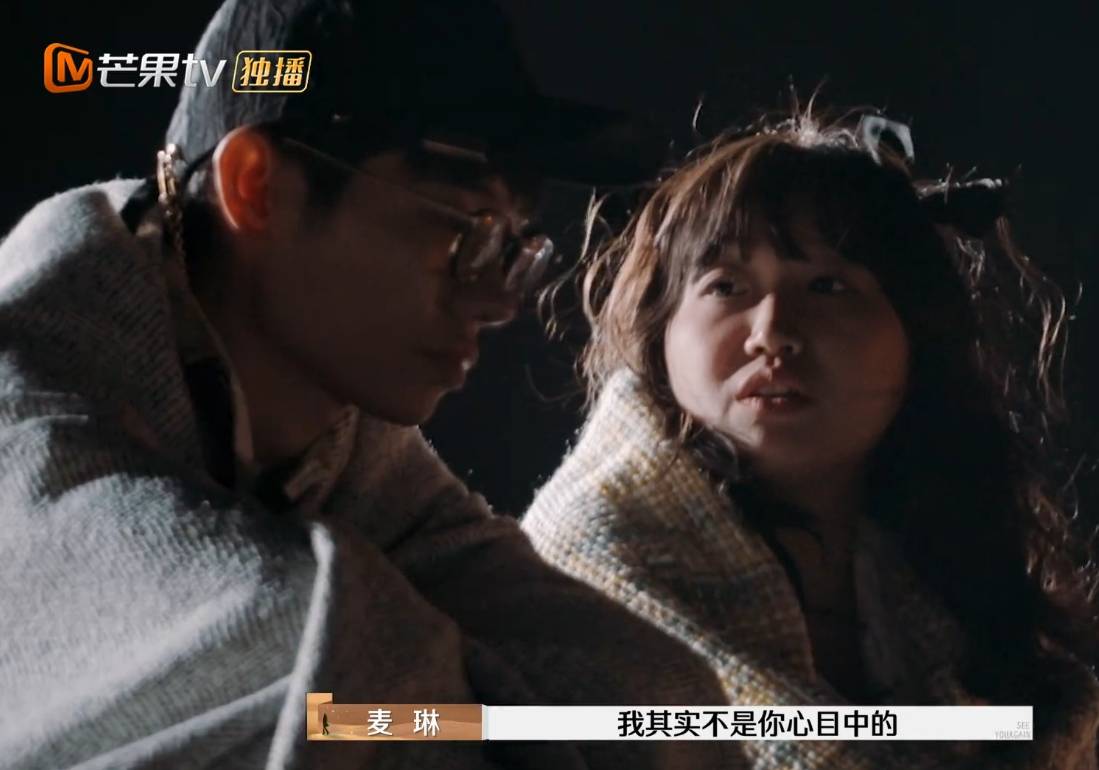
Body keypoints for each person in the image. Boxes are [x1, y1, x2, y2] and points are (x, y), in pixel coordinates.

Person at [0, 1, 738, 768]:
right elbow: (331, 684)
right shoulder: (28, 419)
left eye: (514, 249)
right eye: (466, 232)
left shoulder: (334, 429)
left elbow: (659, 700)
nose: (498, 301)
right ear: (256, 186)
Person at [523, 111, 1099, 768]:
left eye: (828, 286)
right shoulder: (593, 560)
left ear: (916, 335)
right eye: (725, 287)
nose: (770, 333)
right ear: (661, 335)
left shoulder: (929, 554)